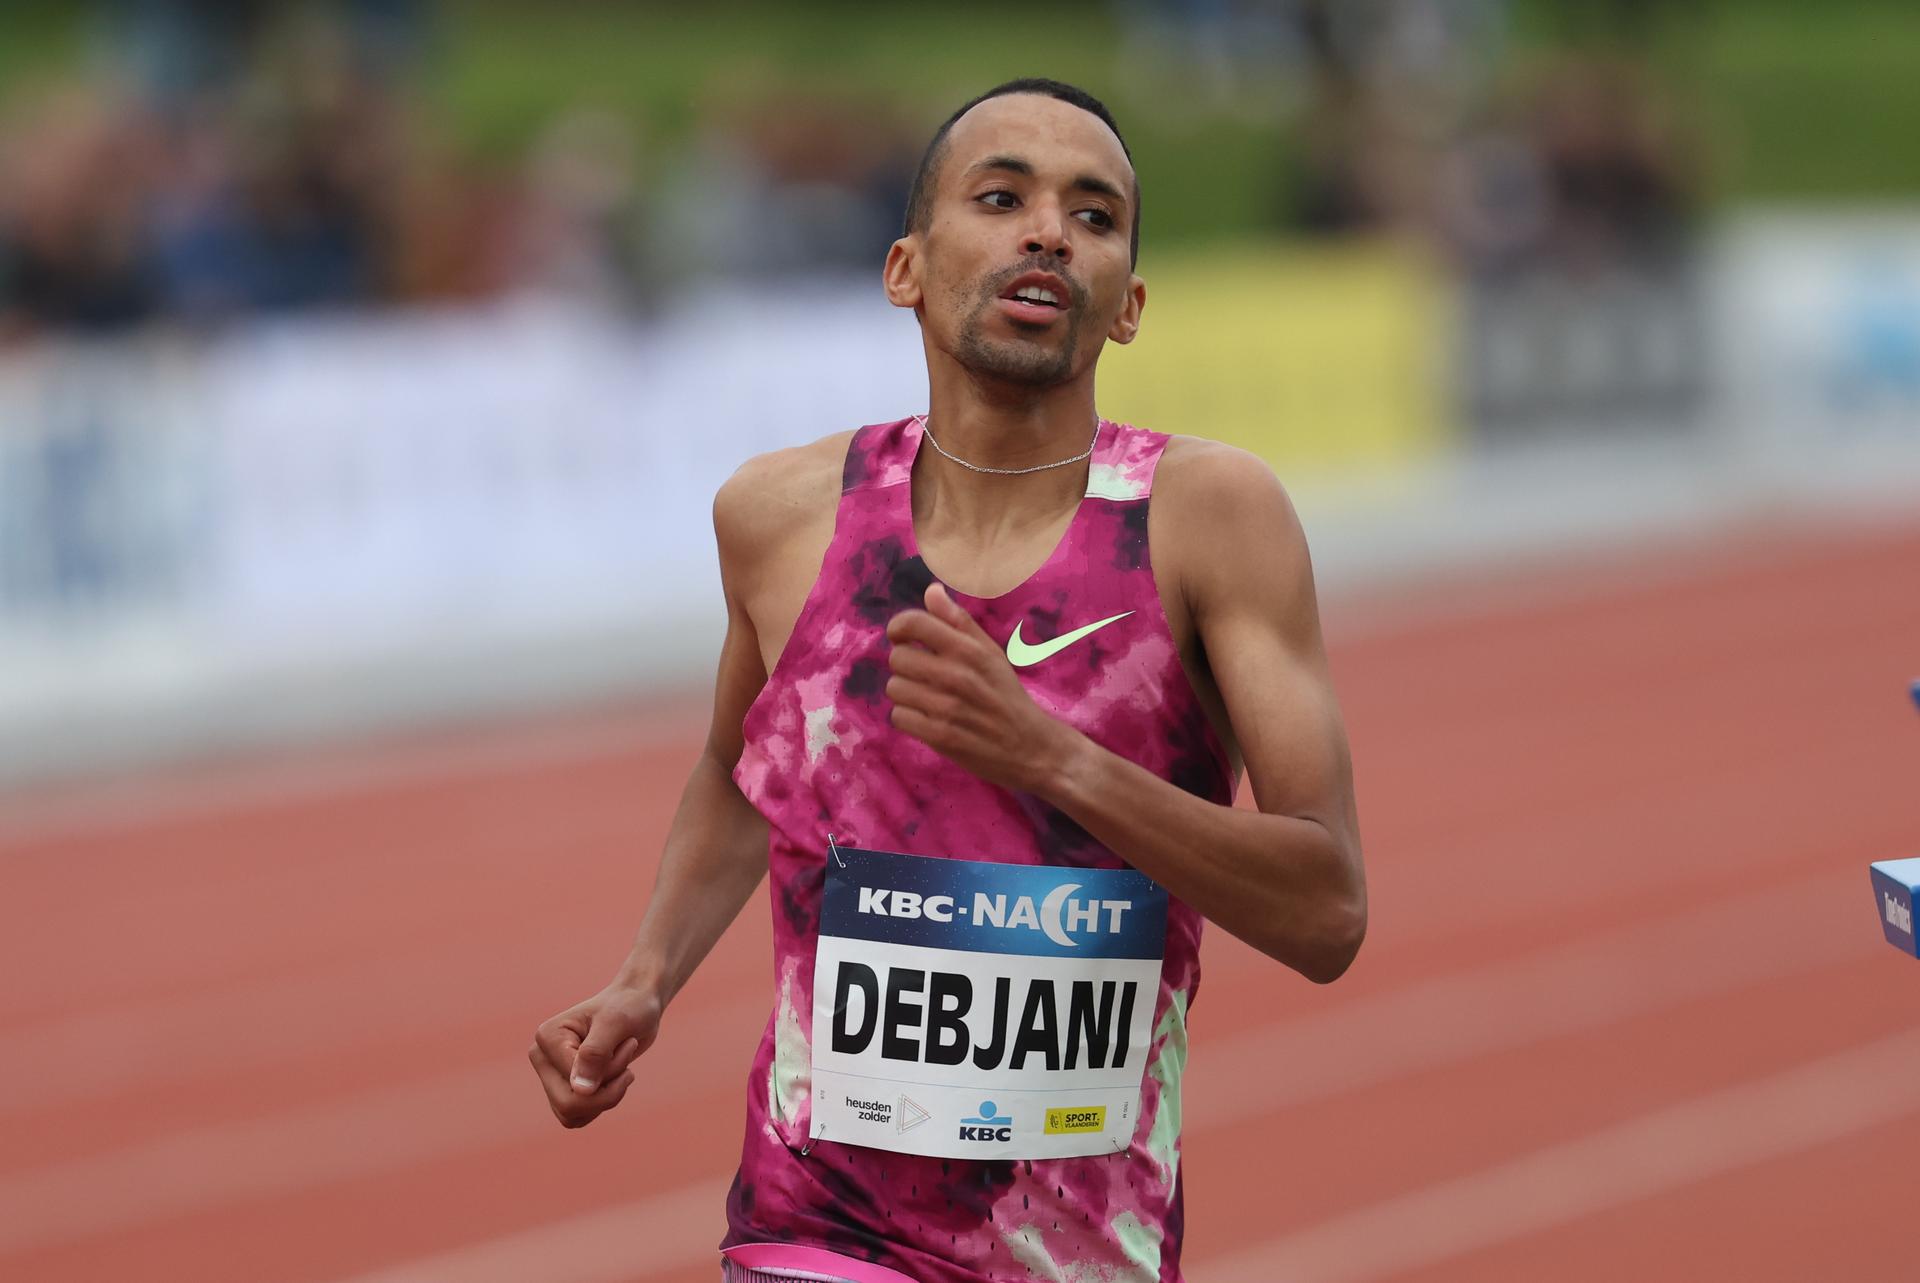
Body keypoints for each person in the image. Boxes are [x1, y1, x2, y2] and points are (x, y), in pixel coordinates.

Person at [528, 76, 1367, 1283]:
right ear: (906, 268)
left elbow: (1329, 908)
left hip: (1080, 1246)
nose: (1047, 232)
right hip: (818, 1228)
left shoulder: (1206, 521)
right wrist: (645, 978)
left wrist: (1054, 759)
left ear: (1126, 304)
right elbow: (739, 761)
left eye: (1092, 215)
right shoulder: (784, 519)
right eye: (1001, 196)